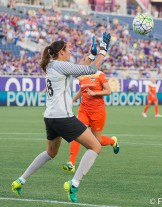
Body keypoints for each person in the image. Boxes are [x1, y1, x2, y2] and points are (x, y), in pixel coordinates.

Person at [11, 33, 111, 203]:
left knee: (51, 153)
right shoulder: (60, 65)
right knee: (95, 147)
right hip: (62, 117)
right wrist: (103, 49)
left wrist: (92, 55)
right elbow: (90, 70)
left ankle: (20, 180)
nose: (70, 51)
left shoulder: (51, 65)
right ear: (62, 52)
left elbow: (79, 69)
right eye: (68, 49)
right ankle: (74, 183)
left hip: (50, 117)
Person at [63, 59, 120, 173]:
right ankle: (71, 163)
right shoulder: (81, 76)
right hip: (84, 110)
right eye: (84, 60)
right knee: (77, 133)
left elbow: (108, 91)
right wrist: (72, 100)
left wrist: (95, 93)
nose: (83, 63)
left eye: (86, 60)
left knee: (97, 140)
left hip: (98, 111)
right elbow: (82, 90)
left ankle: (112, 141)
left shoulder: (99, 74)